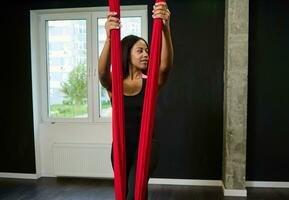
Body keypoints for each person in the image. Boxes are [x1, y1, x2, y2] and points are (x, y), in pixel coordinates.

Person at [98, 2, 173, 199]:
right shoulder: (114, 84)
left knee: (135, 193)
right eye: (140, 51)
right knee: (124, 193)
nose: (146, 55)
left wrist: (166, 27)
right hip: (121, 147)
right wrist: (108, 38)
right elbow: (102, 73)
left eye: (147, 51)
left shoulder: (151, 82)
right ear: (127, 53)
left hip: (147, 145)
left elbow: (165, 66)